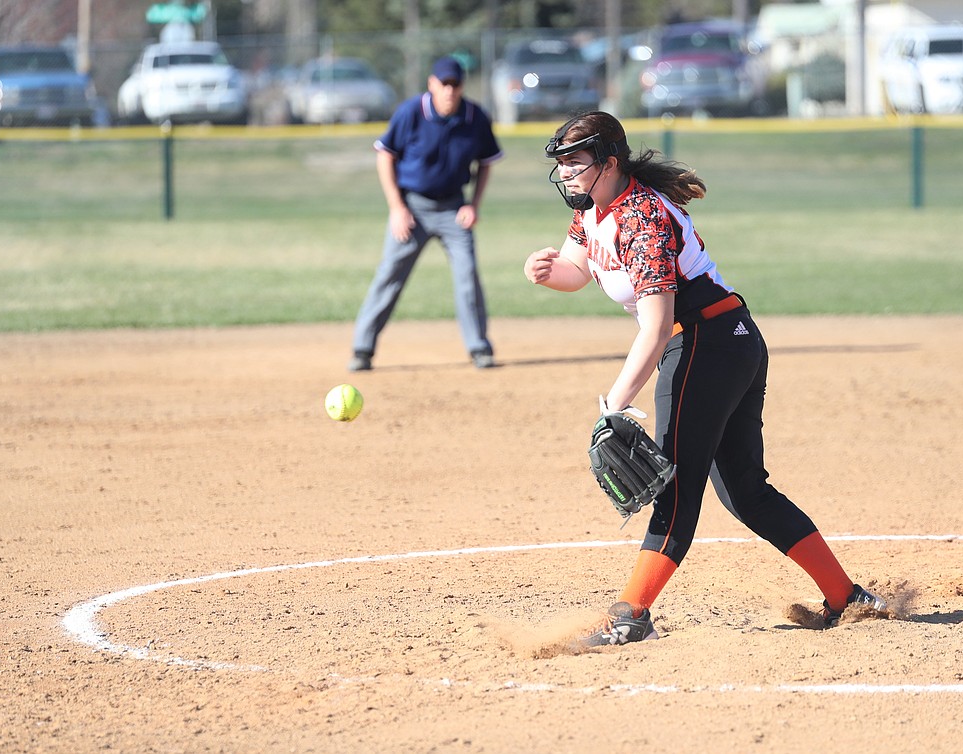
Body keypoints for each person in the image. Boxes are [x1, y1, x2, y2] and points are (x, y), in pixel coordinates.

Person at [523, 111, 887, 646]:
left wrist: (615, 404)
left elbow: (654, 326)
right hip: (729, 340)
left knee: (676, 490)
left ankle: (632, 615)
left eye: (576, 161)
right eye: (563, 164)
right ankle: (846, 597)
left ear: (611, 162)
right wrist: (549, 272)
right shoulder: (594, 211)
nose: (567, 172)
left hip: (704, 345)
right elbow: (579, 270)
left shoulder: (641, 217)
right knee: (745, 491)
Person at [348, 56, 503, 371]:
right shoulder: (410, 112)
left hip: (453, 209)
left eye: (455, 84)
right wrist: (396, 207)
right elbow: (384, 156)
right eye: (443, 83)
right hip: (412, 208)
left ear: (461, 87)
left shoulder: (475, 117)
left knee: (467, 276)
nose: (449, 90)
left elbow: (487, 161)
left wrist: (474, 205)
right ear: (432, 84)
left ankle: (479, 348)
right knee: (390, 274)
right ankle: (362, 348)